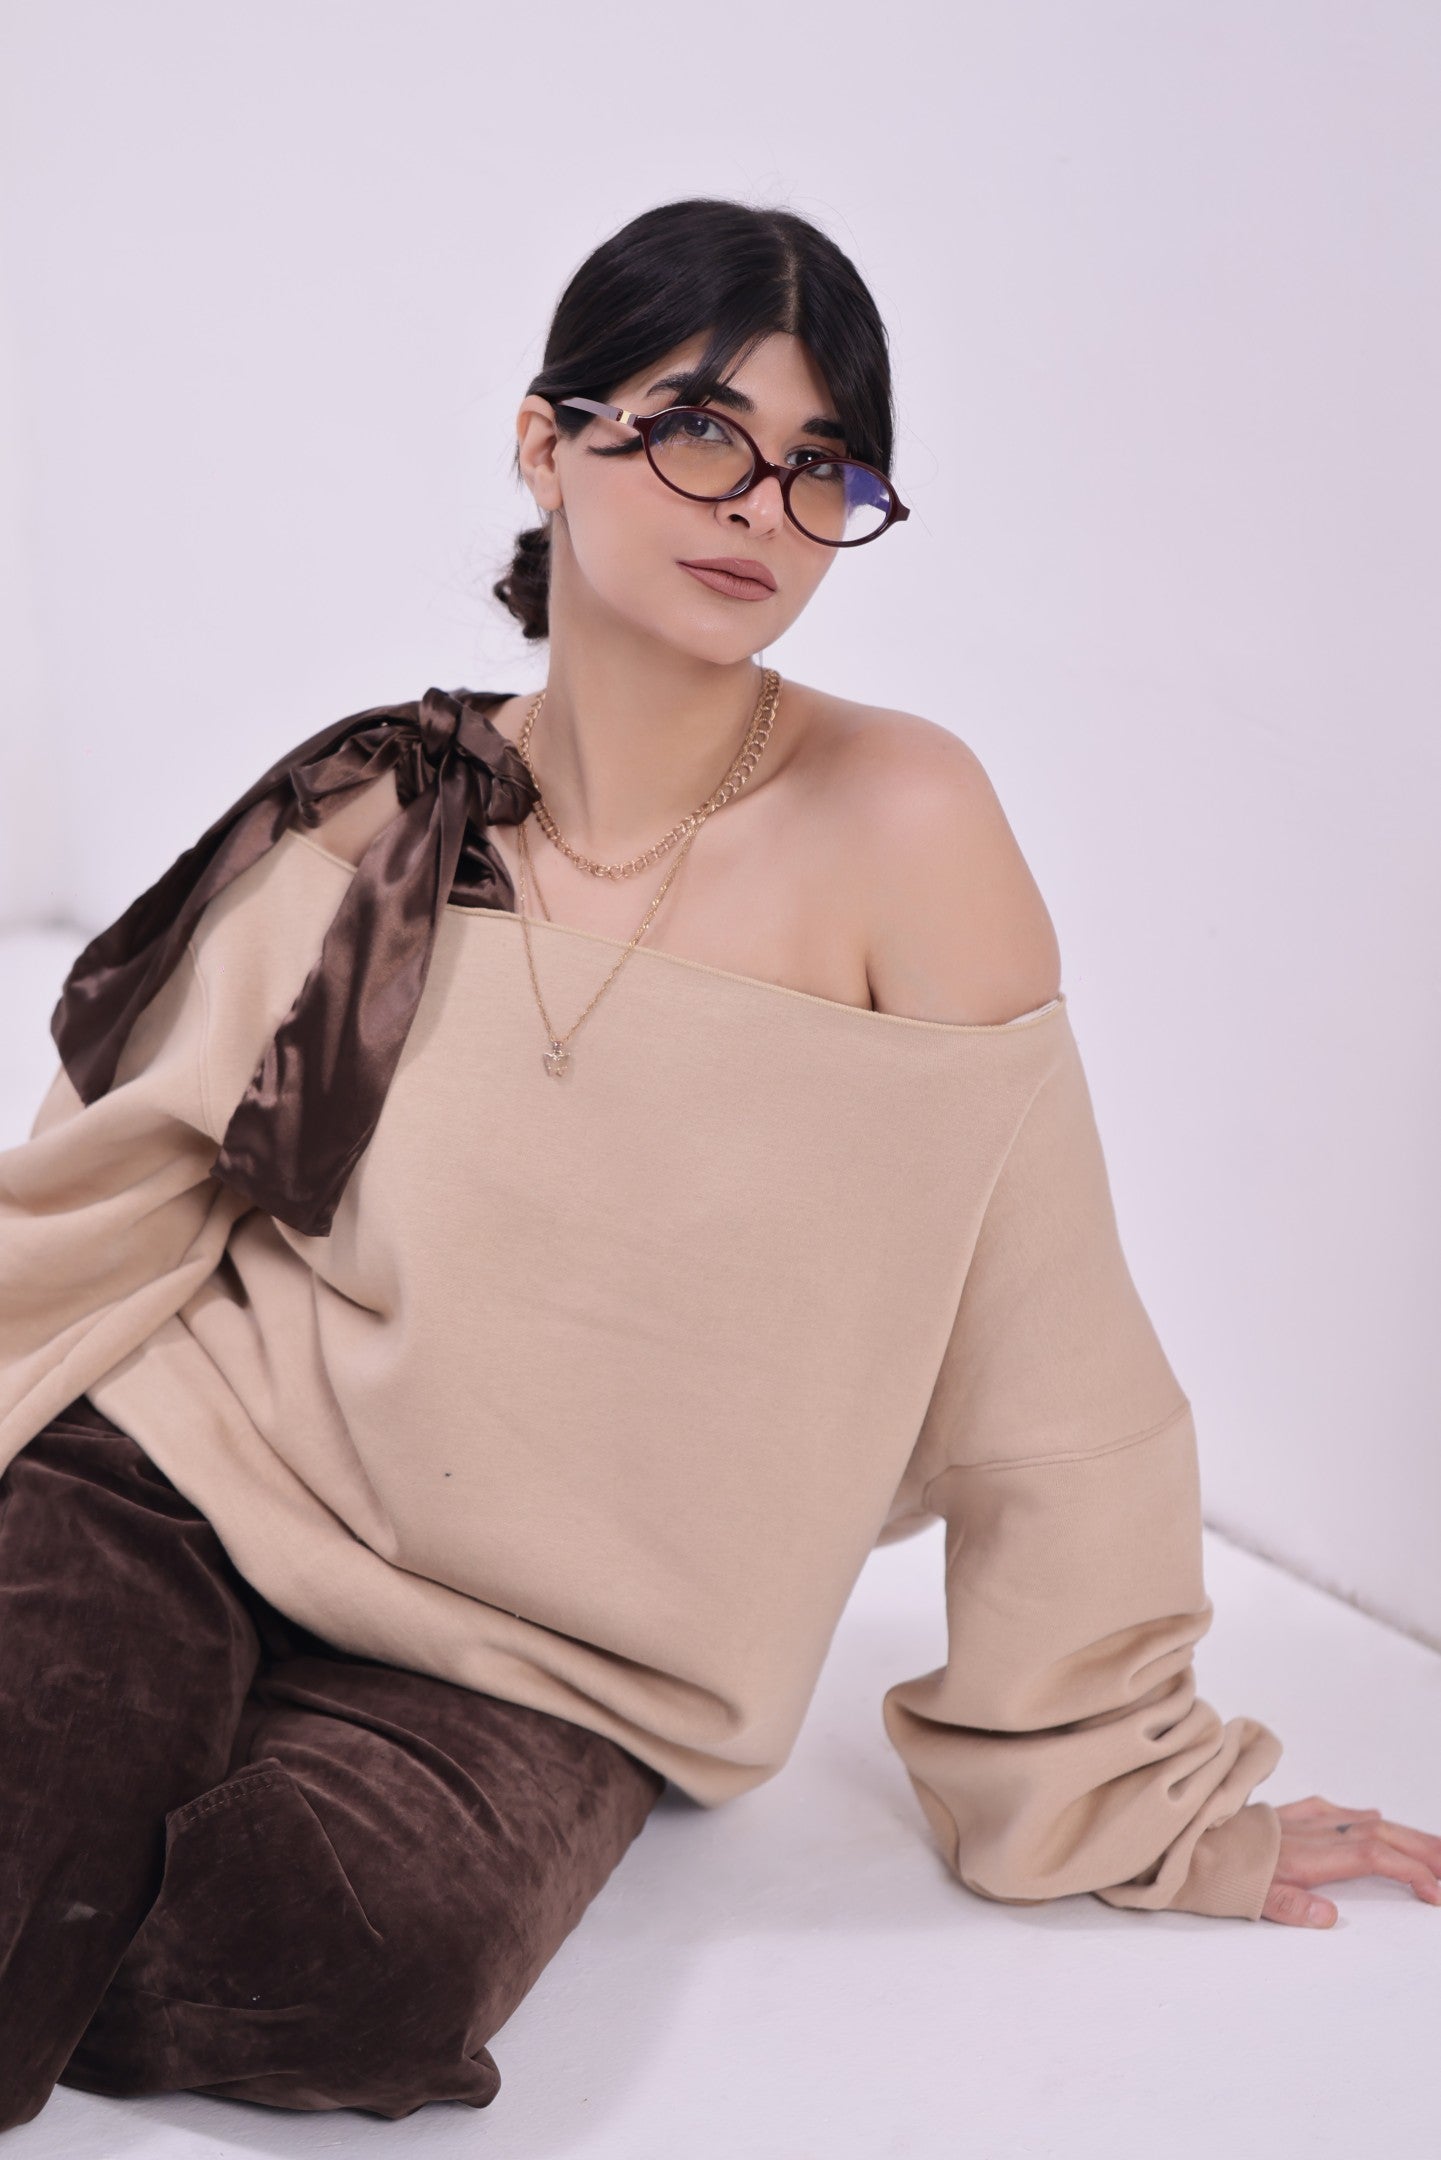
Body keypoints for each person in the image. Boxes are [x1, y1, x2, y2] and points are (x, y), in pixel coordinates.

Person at [1, 194, 1436, 2133]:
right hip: (183, 1473)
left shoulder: (903, 826)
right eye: (698, 428)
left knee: (336, 1970)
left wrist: (1126, 1786)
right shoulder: (387, 804)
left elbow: (1042, 1336)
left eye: (821, 466)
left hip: (560, 1646)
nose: (759, 504)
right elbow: (130, 1176)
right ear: (547, 443)